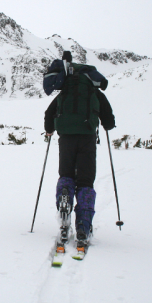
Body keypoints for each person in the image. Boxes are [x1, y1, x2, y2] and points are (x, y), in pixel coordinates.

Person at [43, 51, 115, 253]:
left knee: (66, 175)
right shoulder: (94, 92)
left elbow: (49, 113)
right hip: (87, 138)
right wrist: (107, 124)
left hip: (66, 138)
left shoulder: (64, 91)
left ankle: (64, 196)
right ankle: (83, 224)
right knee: (85, 181)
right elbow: (107, 117)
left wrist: (49, 130)